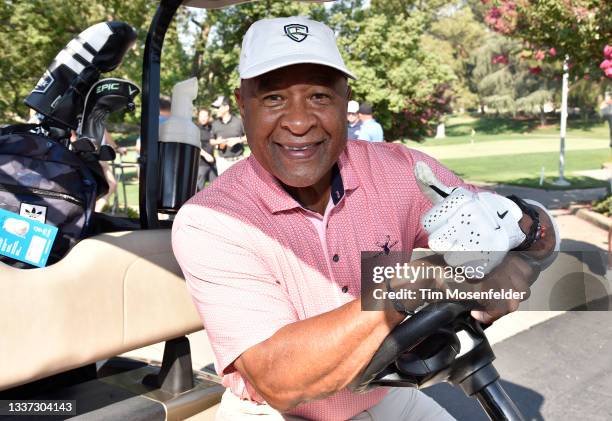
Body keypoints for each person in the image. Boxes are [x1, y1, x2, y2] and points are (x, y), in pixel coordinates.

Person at [172, 16, 558, 421]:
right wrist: (418, 282)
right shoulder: (212, 220)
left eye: (320, 96)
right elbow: (279, 381)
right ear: (242, 105)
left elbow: (528, 232)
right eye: (273, 98)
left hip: (383, 397)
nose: (299, 121)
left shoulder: (402, 171)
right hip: (270, 414)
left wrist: (521, 235)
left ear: (345, 99)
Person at [210, 95, 247, 174]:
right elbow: (211, 141)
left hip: (238, 161)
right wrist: (218, 142)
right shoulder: (214, 124)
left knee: (239, 186)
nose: (216, 110)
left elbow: (250, 137)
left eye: (218, 107)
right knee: (223, 186)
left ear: (226, 107)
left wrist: (238, 140)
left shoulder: (239, 121)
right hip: (222, 162)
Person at [95, 130, 127, 212]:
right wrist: (117, 148)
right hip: (95, 158)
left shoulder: (97, 121)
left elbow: (106, 135)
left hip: (98, 158)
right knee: (110, 184)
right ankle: (94, 212)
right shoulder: (96, 120)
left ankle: (95, 211)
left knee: (111, 184)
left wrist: (117, 148)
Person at [197, 108, 218, 190]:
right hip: (201, 164)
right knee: (200, 190)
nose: (203, 118)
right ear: (198, 117)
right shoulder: (195, 129)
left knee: (215, 188)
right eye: (201, 116)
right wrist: (205, 155)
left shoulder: (212, 128)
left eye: (205, 116)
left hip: (212, 163)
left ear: (209, 117)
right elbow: (196, 145)